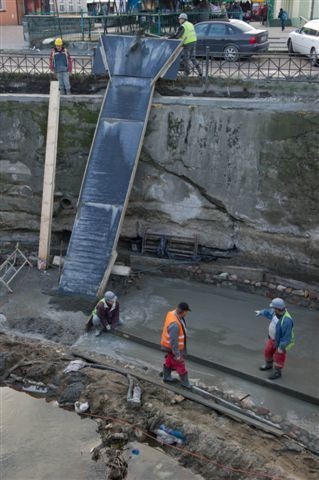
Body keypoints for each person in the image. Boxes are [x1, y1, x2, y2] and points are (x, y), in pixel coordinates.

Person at [255, 298, 295, 380]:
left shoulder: (287, 320)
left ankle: (278, 372)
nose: (272, 309)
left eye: (274, 308)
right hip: (272, 339)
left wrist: (281, 347)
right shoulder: (275, 312)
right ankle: (269, 365)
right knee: (267, 351)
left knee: (279, 356)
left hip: (280, 343)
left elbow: (287, 336)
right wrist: (261, 312)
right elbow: (268, 312)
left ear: (278, 308)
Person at [160, 301, 192, 388]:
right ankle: (185, 384)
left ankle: (166, 377)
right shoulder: (174, 325)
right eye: (187, 312)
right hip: (172, 348)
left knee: (169, 360)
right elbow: (173, 341)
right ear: (183, 312)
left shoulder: (172, 314)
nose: (187, 313)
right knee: (180, 364)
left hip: (168, 347)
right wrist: (177, 355)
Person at [169, 13, 202, 77]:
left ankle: (187, 72)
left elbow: (177, 36)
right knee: (193, 58)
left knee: (185, 58)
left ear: (183, 19)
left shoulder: (183, 26)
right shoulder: (190, 24)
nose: (179, 20)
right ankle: (200, 71)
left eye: (180, 19)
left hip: (187, 43)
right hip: (194, 41)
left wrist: (169, 38)